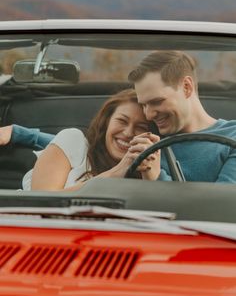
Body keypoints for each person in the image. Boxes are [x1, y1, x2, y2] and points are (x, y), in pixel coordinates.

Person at [1, 89, 160, 191]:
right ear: (106, 123)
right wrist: (116, 173)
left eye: (141, 127)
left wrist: (150, 180)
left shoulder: (153, 168)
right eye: (122, 121)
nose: (128, 132)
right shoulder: (73, 142)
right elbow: (41, 203)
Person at [128, 50, 236, 183]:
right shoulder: (145, 140)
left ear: (186, 87)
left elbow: (223, 202)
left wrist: (156, 177)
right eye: (144, 105)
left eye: (157, 101)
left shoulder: (232, 137)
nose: (149, 115)